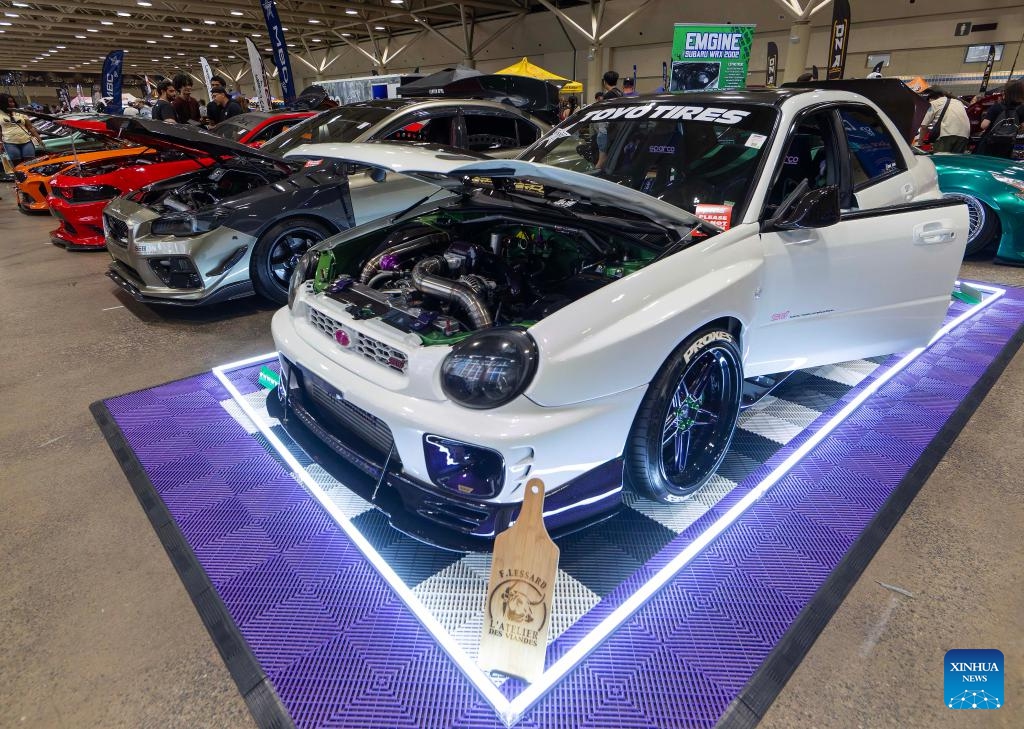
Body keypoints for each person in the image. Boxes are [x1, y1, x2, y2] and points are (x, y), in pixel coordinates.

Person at [976, 79, 1023, 158]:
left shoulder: (997, 106)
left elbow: (984, 125)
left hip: (990, 144)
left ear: (1006, 92)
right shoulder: (1021, 108)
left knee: (984, 164)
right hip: (1007, 145)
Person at [919, 87, 970, 153]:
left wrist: (920, 141)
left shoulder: (934, 103)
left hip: (947, 135)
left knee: (941, 160)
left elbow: (924, 126)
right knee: (955, 161)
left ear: (931, 98)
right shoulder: (958, 102)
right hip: (964, 135)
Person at [0, 93, 42, 170]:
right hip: (10, 143)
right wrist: (0, 144)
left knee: (31, 163)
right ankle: (21, 181)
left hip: (26, 141)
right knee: (18, 165)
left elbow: (30, 127)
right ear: (3, 102)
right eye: (9, 102)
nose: (12, 104)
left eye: (13, 101)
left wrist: (39, 138)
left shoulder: (20, 112)